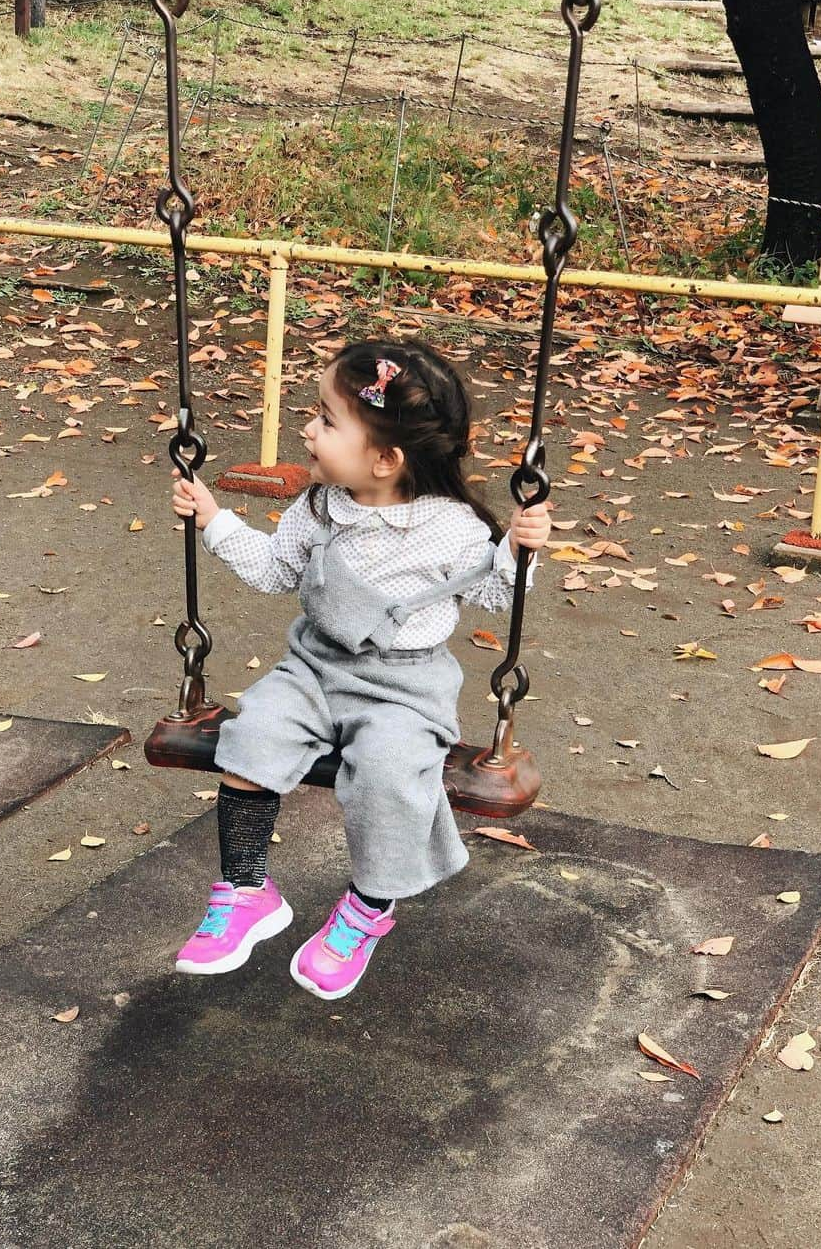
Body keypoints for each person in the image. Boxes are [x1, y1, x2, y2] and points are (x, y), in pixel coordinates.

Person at [169, 340, 551, 1000]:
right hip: (314, 670)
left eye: (326, 419)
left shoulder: (453, 528)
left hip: (403, 689)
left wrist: (520, 550)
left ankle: (368, 910)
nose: (308, 429)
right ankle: (246, 890)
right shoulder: (318, 508)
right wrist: (214, 520)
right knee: (252, 734)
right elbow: (273, 568)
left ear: (385, 458)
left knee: (388, 772)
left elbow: (496, 592)